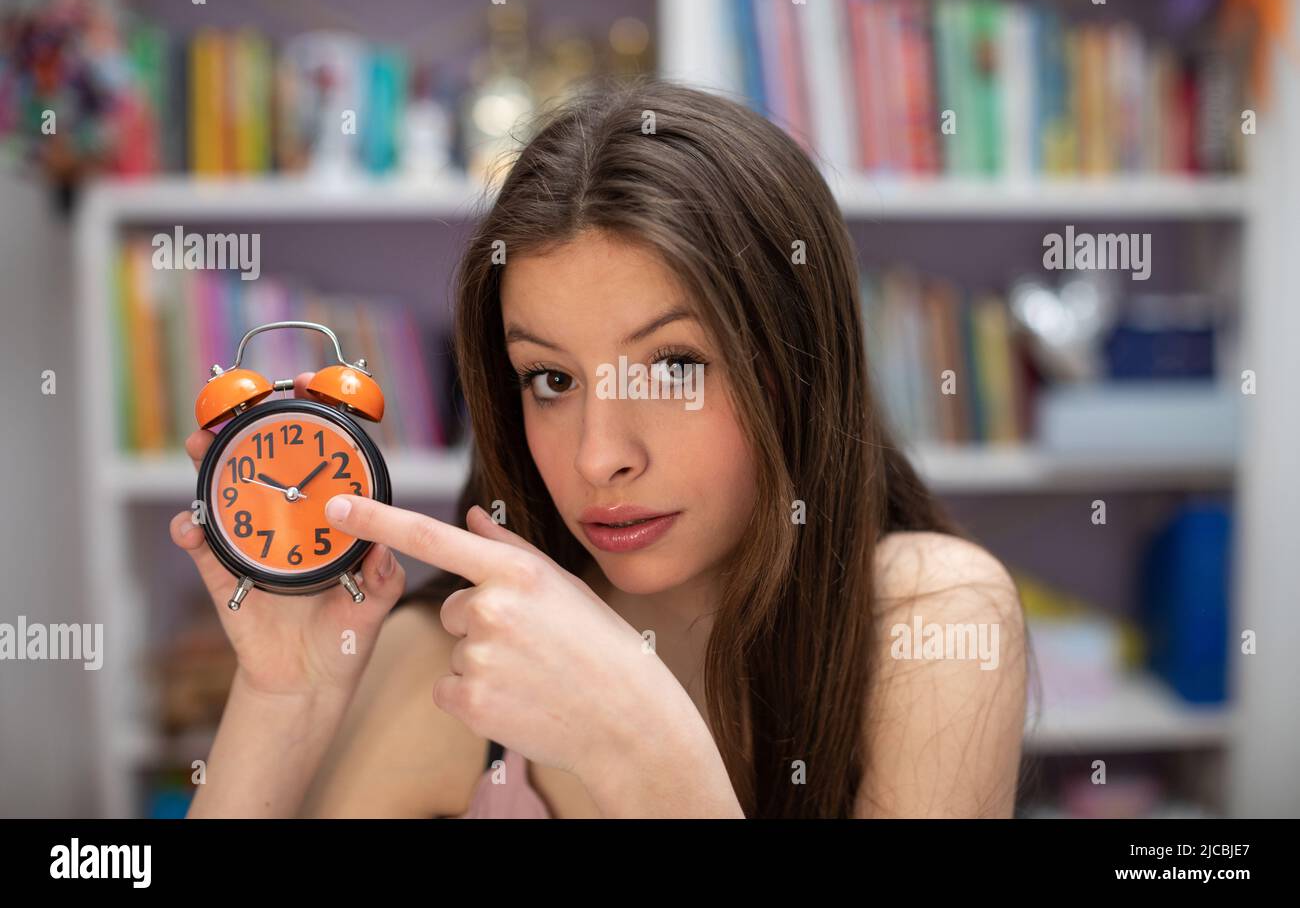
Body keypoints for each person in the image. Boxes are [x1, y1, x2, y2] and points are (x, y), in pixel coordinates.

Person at [170, 77, 1027, 818]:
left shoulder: (931, 620)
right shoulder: (461, 659)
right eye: (551, 379)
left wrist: (641, 750)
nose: (596, 458)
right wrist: (284, 699)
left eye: (674, 366)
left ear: (799, 369)